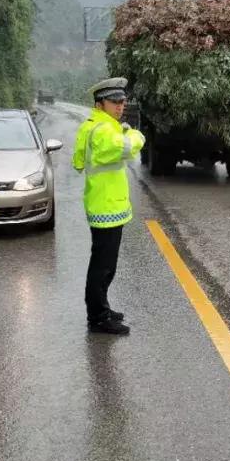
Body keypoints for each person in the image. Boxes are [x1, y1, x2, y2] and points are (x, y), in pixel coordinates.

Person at [73, 78, 146, 335]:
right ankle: (99, 318)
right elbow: (129, 147)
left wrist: (121, 130)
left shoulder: (95, 125)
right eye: (115, 102)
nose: (121, 106)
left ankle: (102, 308)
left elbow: (78, 161)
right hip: (105, 206)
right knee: (103, 266)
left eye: (122, 101)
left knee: (104, 264)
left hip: (104, 202)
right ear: (99, 103)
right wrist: (134, 133)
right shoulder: (104, 130)